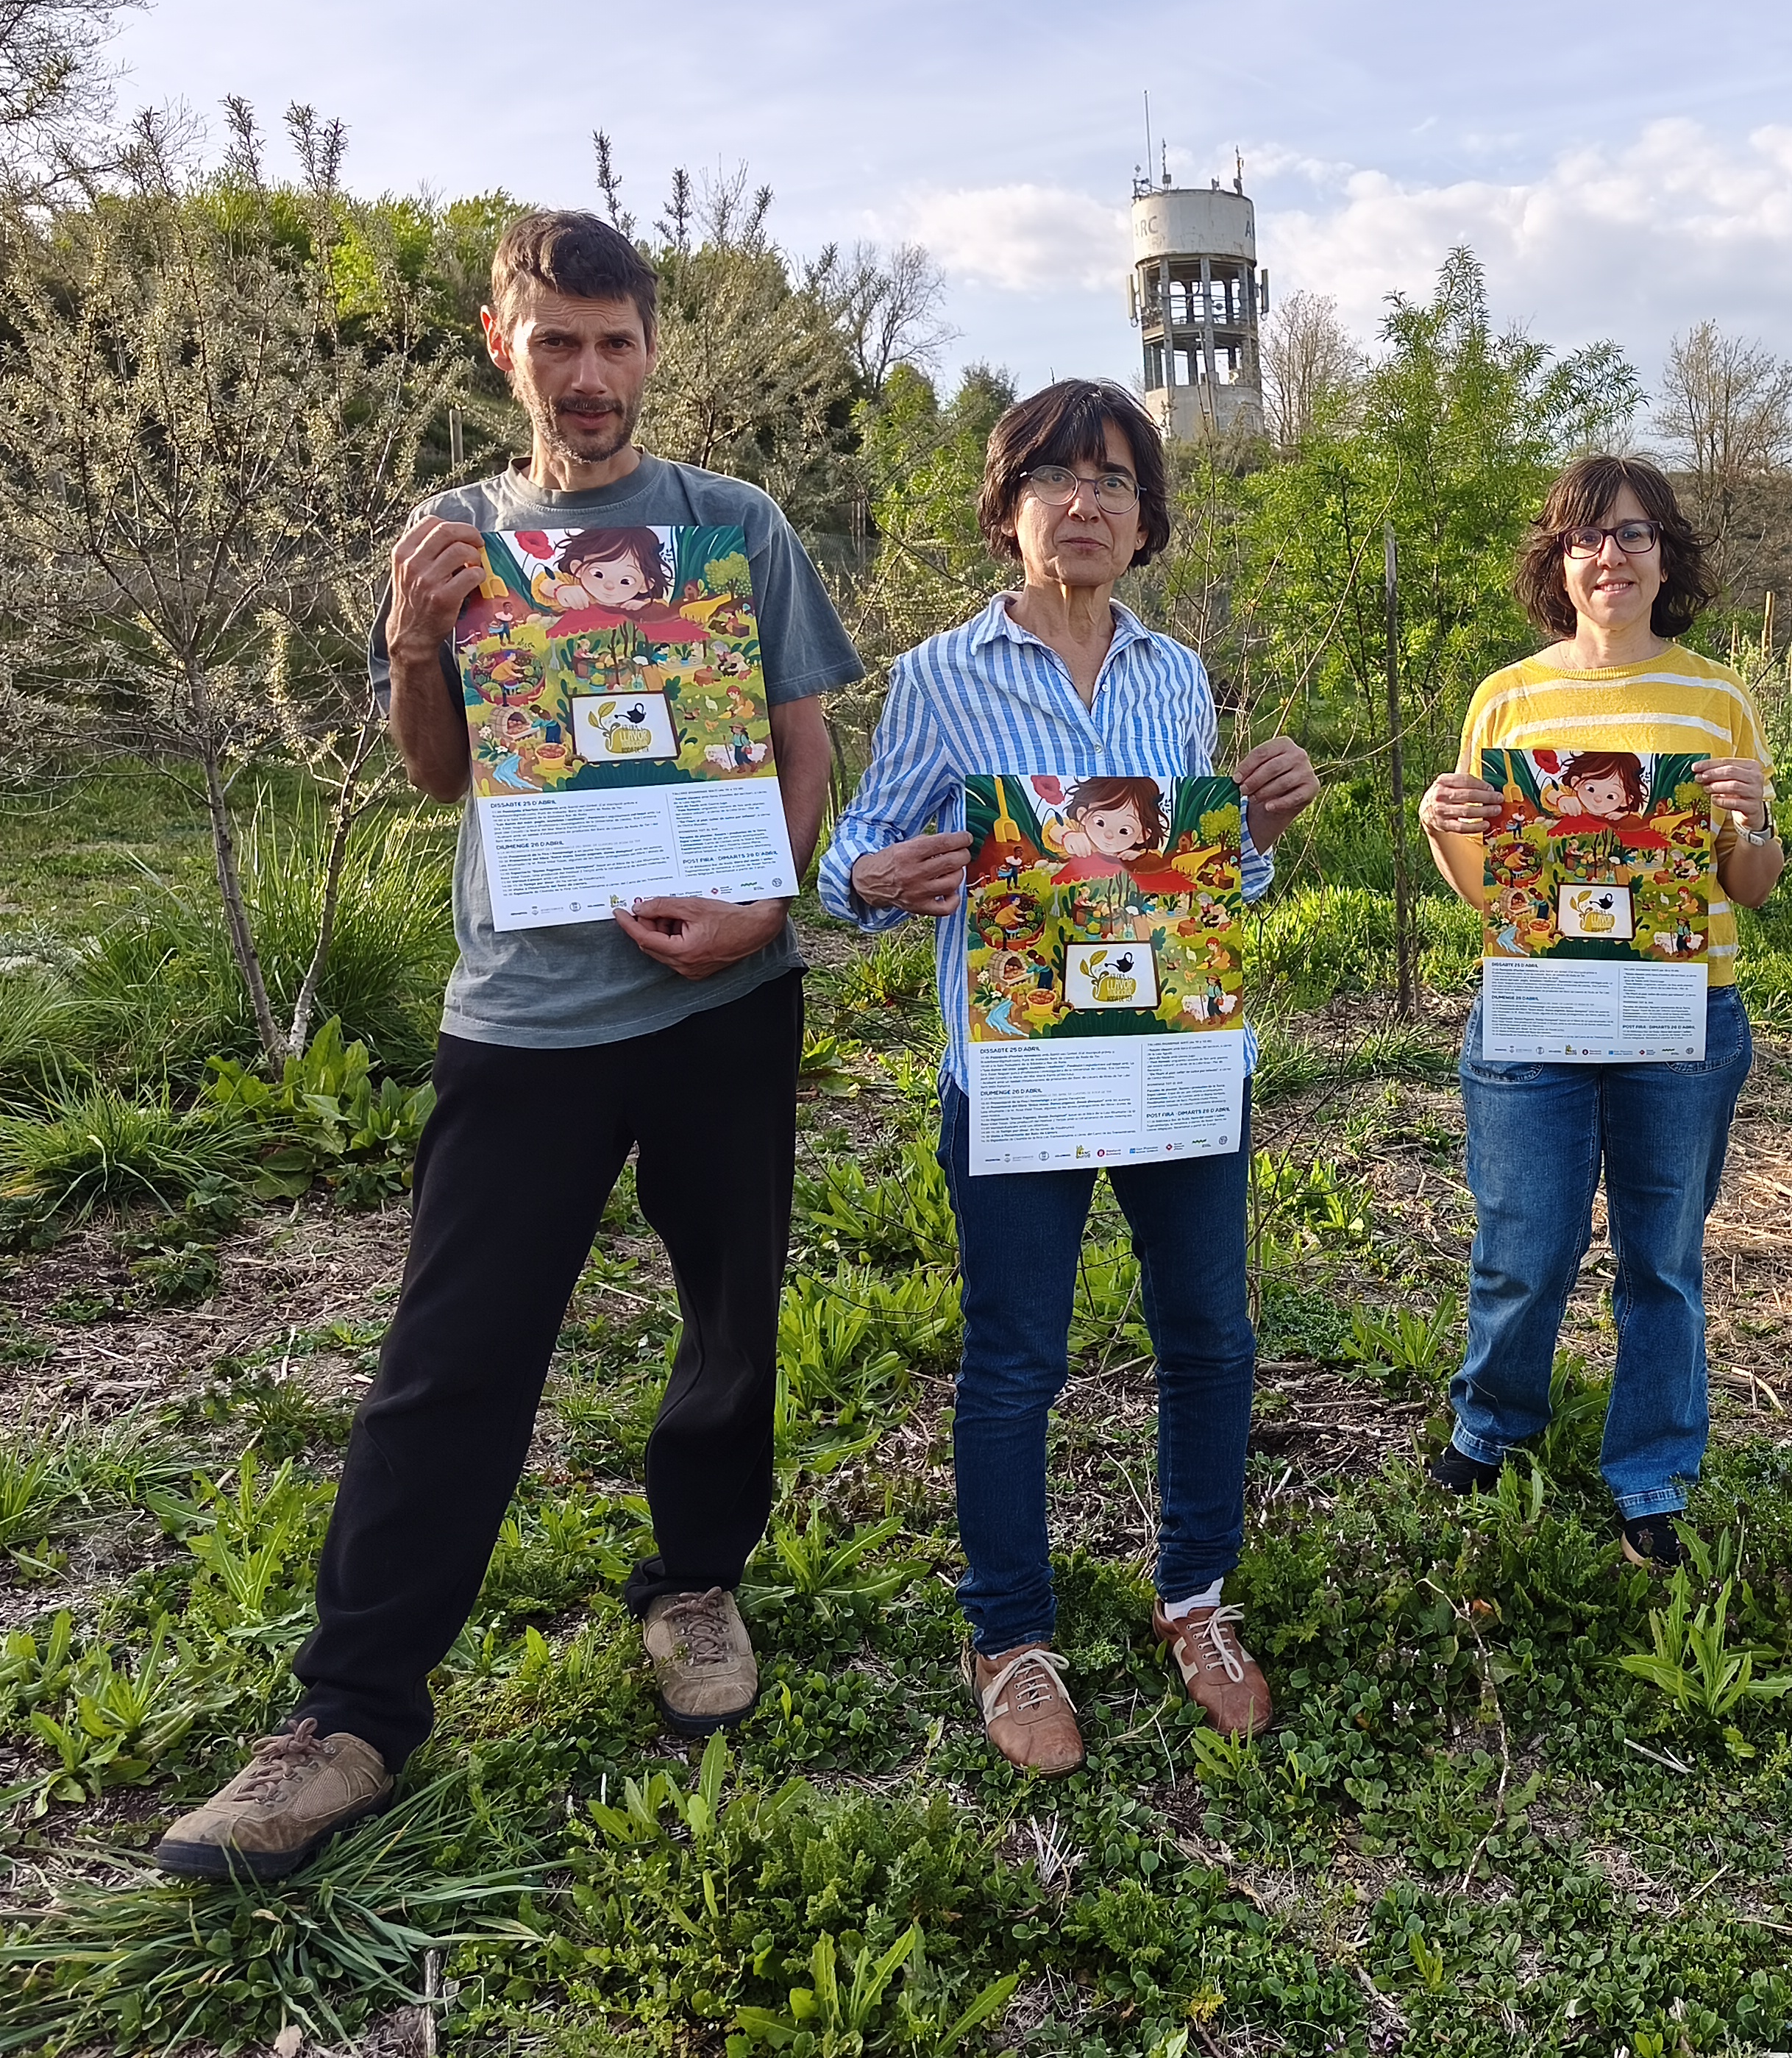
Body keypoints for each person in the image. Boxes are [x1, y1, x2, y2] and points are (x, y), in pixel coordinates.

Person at [158, 210, 861, 1882]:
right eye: (560, 342)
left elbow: (798, 738)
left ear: (651, 347)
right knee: (451, 1358)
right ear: (504, 343)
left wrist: (764, 912)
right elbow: (435, 773)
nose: (593, 375)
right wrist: (415, 638)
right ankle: (348, 1716)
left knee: (730, 1316)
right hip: (526, 1015)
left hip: (723, 1007)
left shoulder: (732, 527)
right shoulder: (458, 534)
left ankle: (694, 1586)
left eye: (618, 343)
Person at [818, 379, 1320, 1777]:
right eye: (1056, 478)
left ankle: (1197, 1598)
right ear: (1009, 509)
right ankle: (1010, 1634)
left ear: (1148, 516)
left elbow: (1211, 886)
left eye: (1112, 479)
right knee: (1015, 1359)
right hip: (1022, 1072)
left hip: (1173, 1070)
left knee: (1211, 1338)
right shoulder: (939, 678)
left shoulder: (1174, 678)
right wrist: (872, 878)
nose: (1086, 502)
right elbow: (855, 847)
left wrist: (1259, 827)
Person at [1416, 456, 1782, 1561]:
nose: (1609, 556)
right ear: (1558, 562)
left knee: (1662, 1255)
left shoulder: (1717, 697)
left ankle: (1653, 1473)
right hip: (1539, 1003)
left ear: (1665, 555)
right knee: (1524, 1237)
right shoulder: (1508, 697)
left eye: (1632, 535)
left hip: (1682, 1014)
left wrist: (1754, 824)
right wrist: (1445, 826)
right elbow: (1498, 893)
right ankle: (1493, 1425)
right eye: (1585, 538)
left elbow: (1749, 888)